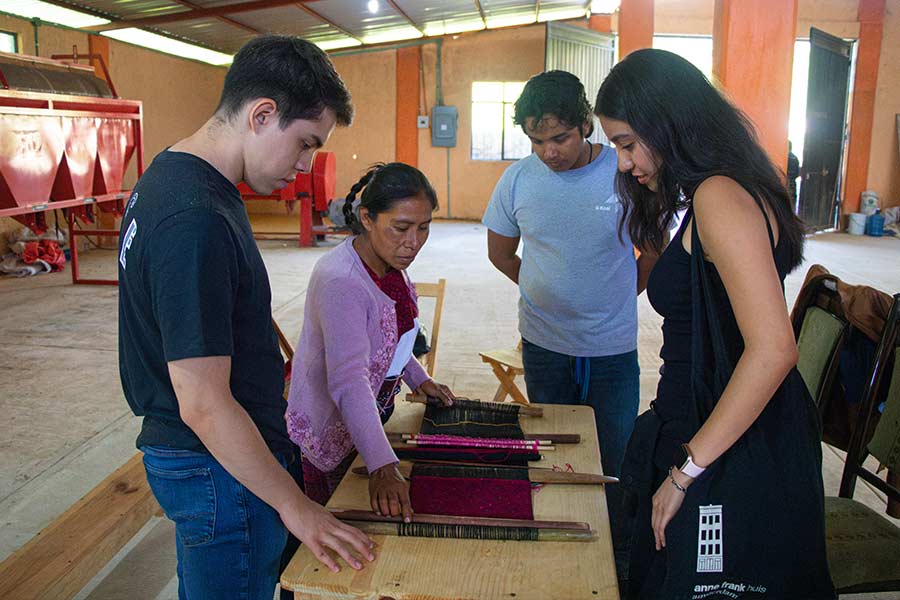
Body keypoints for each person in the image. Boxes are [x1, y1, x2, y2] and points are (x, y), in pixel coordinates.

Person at [118, 35, 375, 599]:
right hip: (221, 470)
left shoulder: (169, 177)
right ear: (262, 114)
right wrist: (295, 506)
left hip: (222, 462)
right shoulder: (195, 219)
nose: (307, 165)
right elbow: (204, 402)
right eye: (306, 143)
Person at [595, 49, 834, 599]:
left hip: (736, 444)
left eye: (628, 143)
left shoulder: (719, 196)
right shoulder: (713, 191)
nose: (625, 163)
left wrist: (686, 472)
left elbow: (774, 349)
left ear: (669, 122)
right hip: (714, 425)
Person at [482, 70, 656, 579]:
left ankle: (619, 560)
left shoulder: (624, 173)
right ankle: (561, 550)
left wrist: (614, 297)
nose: (548, 152)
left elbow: (654, 252)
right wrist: (542, 290)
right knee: (554, 449)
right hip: (544, 344)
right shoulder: (518, 179)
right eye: (536, 141)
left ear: (586, 126)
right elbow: (499, 252)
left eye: (559, 138)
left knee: (615, 453)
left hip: (612, 348)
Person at [286, 162, 456, 520]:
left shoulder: (387, 264)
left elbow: (389, 335)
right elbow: (348, 380)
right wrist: (382, 466)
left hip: (368, 414)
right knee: (335, 524)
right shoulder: (343, 282)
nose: (413, 242)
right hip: (329, 426)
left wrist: (418, 378)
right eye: (401, 228)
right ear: (367, 218)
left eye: (424, 228)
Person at [787, 140, 801, 208]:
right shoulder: (795, 158)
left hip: (786, 181)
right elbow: (797, 173)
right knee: (792, 202)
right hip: (793, 183)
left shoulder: (784, 157)